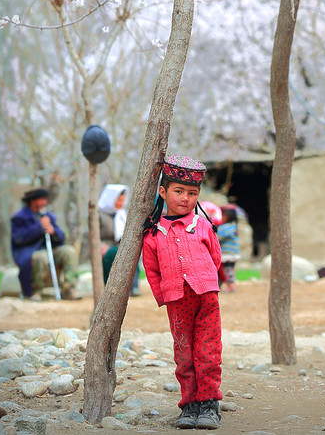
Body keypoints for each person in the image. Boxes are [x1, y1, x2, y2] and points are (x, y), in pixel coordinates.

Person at [143, 154, 222, 430]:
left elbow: (216, 257)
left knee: (208, 350)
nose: (185, 198)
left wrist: (207, 280)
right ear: (163, 192)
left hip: (207, 298)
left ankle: (210, 405)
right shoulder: (154, 233)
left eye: (192, 193)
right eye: (178, 191)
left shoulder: (202, 225)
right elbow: (151, 269)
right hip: (177, 301)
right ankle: (189, 406)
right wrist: (163, 295)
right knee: (184, 352)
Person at [10, 187, 81, 300]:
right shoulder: (19, 217)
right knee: (40, 257)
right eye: (42, 199)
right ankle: (36, 291)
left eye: (45, 199)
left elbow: (61, 237)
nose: (45, 202)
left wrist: (53, 231)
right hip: (30, 251)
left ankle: (69, 289)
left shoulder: (48, 216)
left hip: (50, 249)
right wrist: (39, 227)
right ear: (32, 201)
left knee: (69, 251)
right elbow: (18, 238)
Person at [98, 183, 140, 295]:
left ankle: (133, 286)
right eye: (118, 200)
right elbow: (92, 236)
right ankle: (109, 286)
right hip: (105, 247)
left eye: (122, 200)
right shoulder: (100, 215)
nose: (120, 203)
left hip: (120, 245)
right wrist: (101, 246)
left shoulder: (122, 215)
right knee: (114, 253)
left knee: (132, 252)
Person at [217, 206, 240, 292]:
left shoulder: (226, 227)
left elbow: (218, 238)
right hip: (233, 253)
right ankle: (228, 285)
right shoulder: (233, 227)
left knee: (227, 270)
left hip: (228, 254)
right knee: (227, 270)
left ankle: (231, 286)